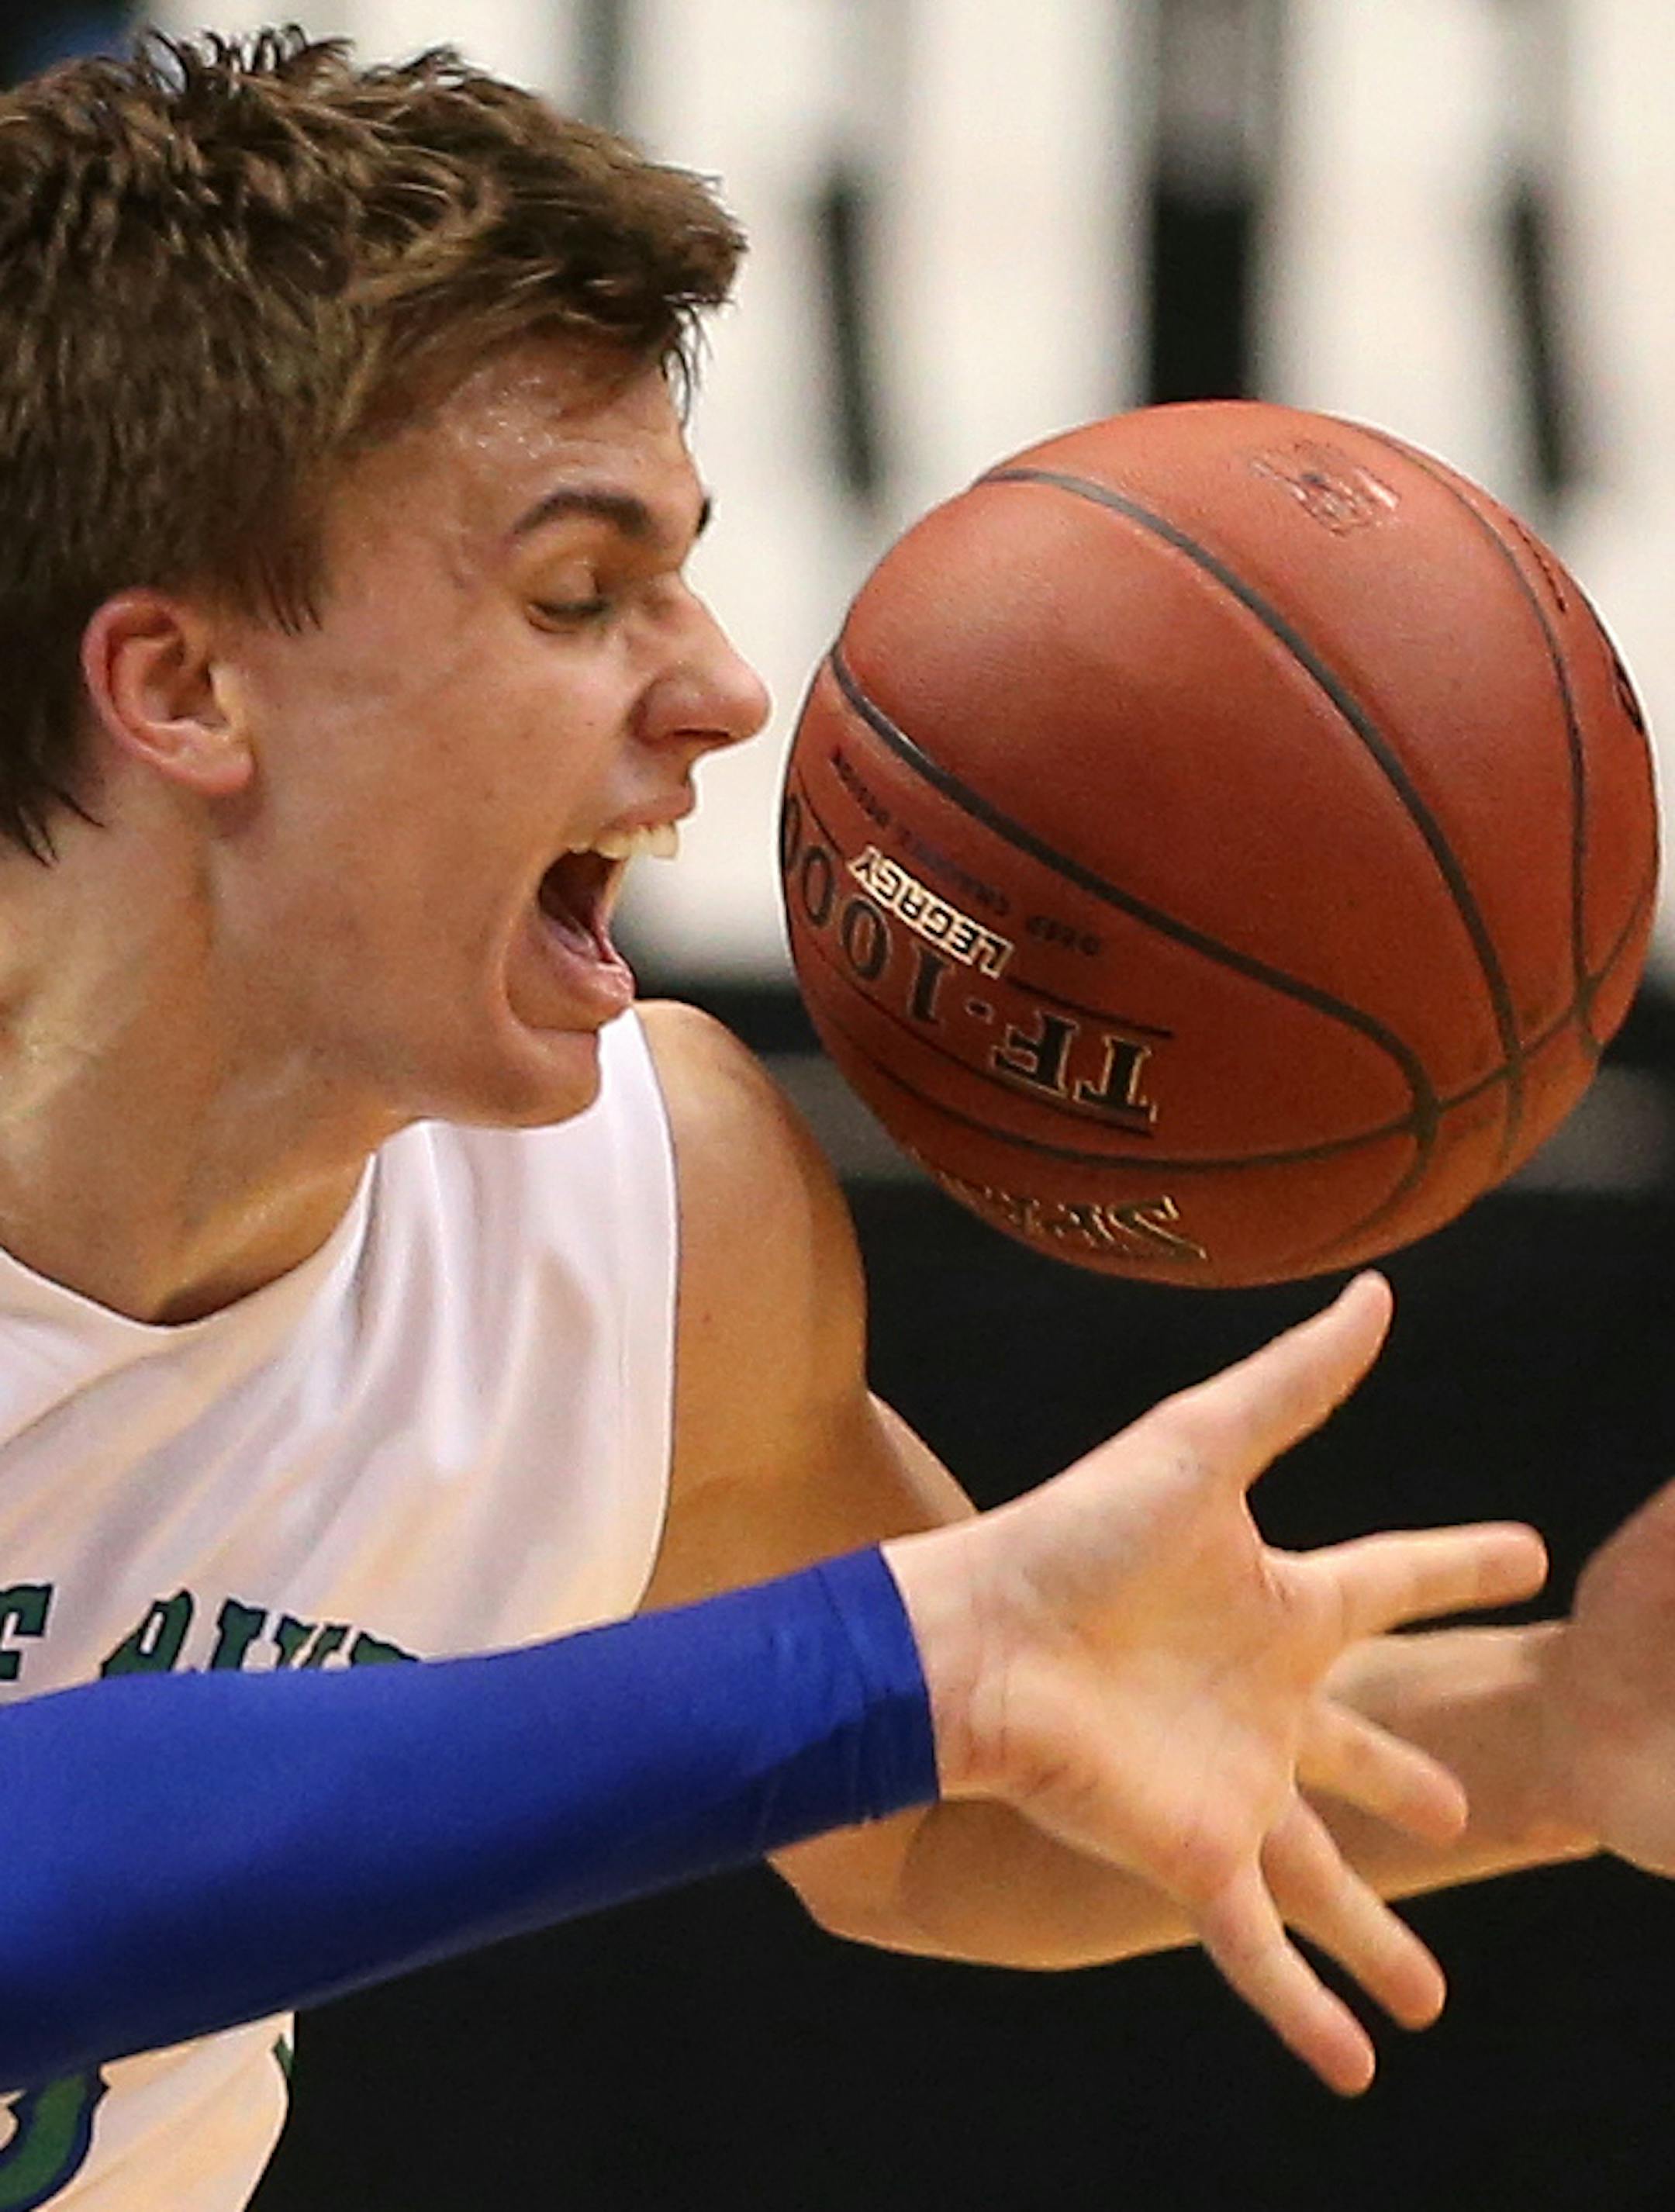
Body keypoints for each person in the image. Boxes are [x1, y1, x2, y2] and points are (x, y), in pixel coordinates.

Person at [0, 26, 1665, 2210]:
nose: (724, 687)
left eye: (685, 569)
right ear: (187, 687)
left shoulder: (648, 1224)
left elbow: (945, 1793)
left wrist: (1571, 1731)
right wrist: (886, 1658)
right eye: (579, 592)